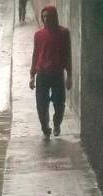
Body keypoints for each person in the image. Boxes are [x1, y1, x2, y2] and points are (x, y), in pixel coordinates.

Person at [29, 5, 72, 139]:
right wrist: (32, 75)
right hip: (42, 74)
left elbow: (67, 55)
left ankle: (57, 124)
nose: (46, 19)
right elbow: (35, 55)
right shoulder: (38, 35)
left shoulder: (64, 33)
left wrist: (69, 76)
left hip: (57, 73)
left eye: (49, 16)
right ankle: (45, 129)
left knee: (59, 103)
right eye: (44, 17)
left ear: (55, 17)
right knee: (41, 104)